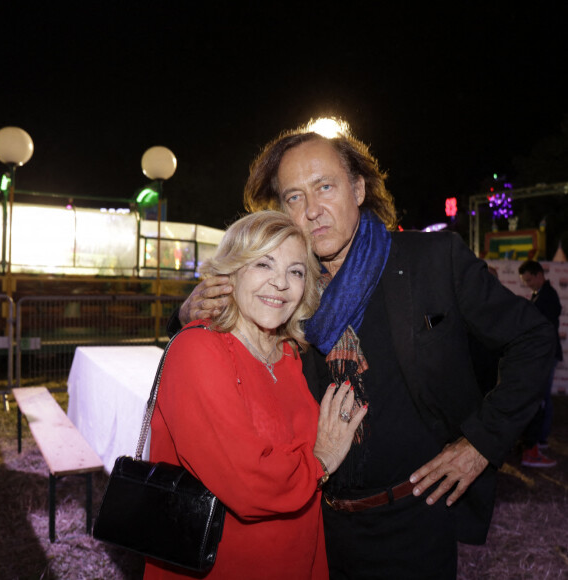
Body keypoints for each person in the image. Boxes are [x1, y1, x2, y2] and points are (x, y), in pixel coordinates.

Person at [168, 126, 556, 579]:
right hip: (316, 526)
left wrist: (480, 444)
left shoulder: (434, 260)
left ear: (357, 188)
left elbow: (534, 337)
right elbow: (216, 362)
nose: (312, 210)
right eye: (294, 197)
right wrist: (186, 314)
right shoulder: (283, 291)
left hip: (413, 524)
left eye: (325, 187)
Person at [146, 211, 367, 580]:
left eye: (295, 271)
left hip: (298, 556)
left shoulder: (289, 355)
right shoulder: (198, 350)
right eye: (264, 264)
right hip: (223, 562)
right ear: (231, 273)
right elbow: (248, 484)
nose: (280, 283)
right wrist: (323, 461)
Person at [518, 259, 562, 468]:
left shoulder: (549, 296)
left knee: (542, 399)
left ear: (538, 274)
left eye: (528, 280)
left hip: (546, 355)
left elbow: (543, 327)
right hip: (543, 355)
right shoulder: (541, 294)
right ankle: (538, 441)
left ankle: (540, 440)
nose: (528, 284)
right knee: (542, 398)